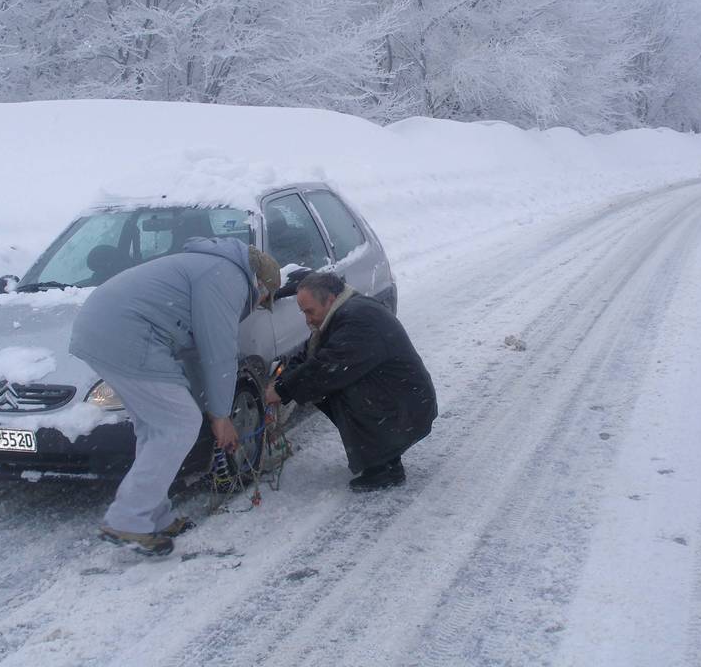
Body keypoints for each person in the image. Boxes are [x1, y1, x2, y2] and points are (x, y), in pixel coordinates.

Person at [70, 237, 280, 555]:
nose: (260, 303)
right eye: (265, 297)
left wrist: (213, 408)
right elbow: (218, 351)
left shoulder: (210, 267)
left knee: (157, 428)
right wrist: (220, 417)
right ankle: (128, 519)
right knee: (179, 424)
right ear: (259, 282)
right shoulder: (228, 277)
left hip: (103, 328)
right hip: (127, 333)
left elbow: (196, 353)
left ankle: (152, 516)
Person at [265, 272, 436, 492]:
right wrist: (281, 379)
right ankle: (385, 456)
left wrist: (282, 389)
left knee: (336, 384)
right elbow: (311, 354)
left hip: (407, 407)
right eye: (303, 312)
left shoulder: (358, 319)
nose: (307, 319)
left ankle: (383, 467)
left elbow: (327, 366)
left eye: (310, 311)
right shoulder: (344, 311)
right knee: (324, 384)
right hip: (400, 400)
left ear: (329, 300)